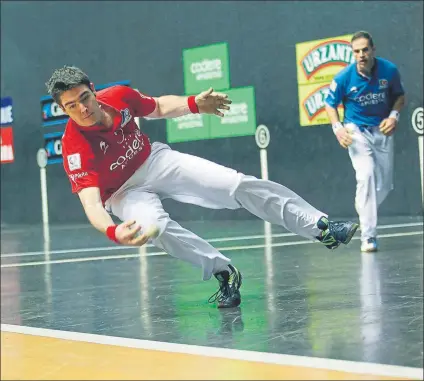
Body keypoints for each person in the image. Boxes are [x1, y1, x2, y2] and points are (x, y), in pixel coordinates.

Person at [46, 65, 359, 309]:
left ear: (93, 90)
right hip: (122, 193)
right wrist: (113, 232)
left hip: (153, 160)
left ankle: (321, 226)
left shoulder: (119, 96)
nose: (82, 109)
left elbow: (158, 107)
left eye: (84, 98)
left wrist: (194, 103)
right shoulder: (74, 146)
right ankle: (224, 272)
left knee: (235, 184)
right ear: (64, 109)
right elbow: (91, 204)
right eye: (71, 106)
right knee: (154, 229)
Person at [324, 31, 406, 253]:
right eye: (356, 51)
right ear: (353, 53)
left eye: (365, 50)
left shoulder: (389, 70)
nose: (361, 55)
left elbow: (399, 96)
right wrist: (338, 128)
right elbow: (330, 104)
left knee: (385, 185)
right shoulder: (343, 78)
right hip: (355, 131)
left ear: (373, 50)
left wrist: (393, 116)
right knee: (367, 175)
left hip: (382, 130)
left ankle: (363, 206)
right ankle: (368, 236)